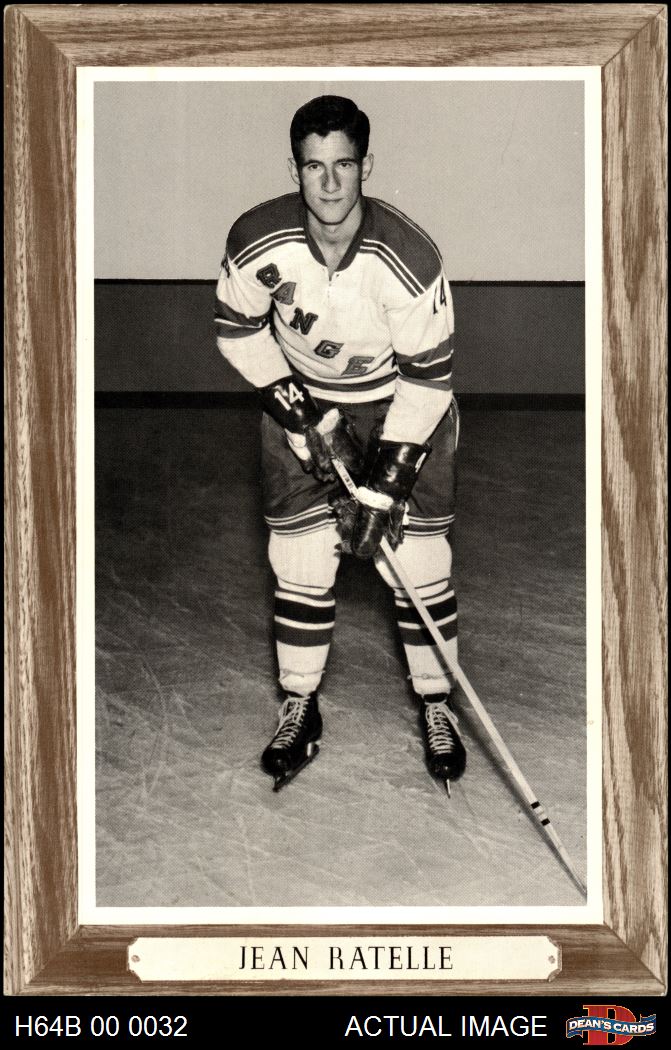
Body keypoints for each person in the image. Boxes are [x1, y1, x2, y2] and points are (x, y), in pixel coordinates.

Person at [215, 95, 466, 791]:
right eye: (313, 166)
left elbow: (429, 379)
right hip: (302, 397)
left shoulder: (407, 257)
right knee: (298, 559)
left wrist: (385, 482)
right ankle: (299, 703)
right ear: (294, 168)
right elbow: (237, 331)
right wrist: (299, 415)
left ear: (366, 167)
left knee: (417, 564)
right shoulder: (256, 239)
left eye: (343, 166)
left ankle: (436, 705)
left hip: (400, 403)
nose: (328, 184)